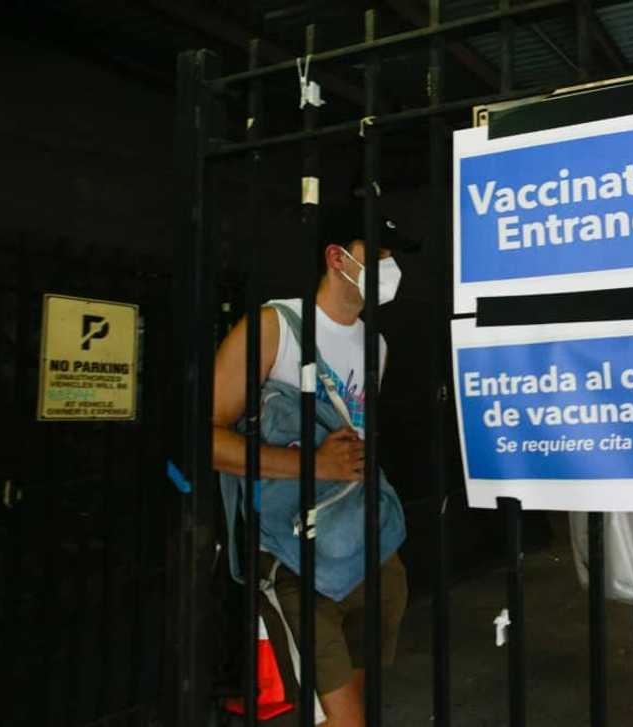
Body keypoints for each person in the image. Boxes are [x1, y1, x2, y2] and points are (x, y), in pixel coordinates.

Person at [212, 206, 411, 727]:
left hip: (367, 552)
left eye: (393, 255)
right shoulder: (274, 327)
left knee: (345, 712)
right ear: (336, 258)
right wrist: (314, 466)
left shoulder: (378, 346)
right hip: (294, 556)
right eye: (378, 254)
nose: (389, 266)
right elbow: (202, 439)